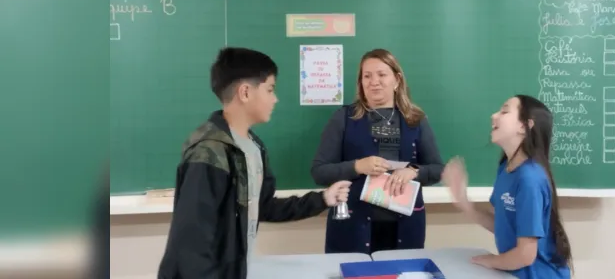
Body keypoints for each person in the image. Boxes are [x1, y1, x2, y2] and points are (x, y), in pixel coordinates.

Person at [158, 47, 351, 279]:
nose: (275, 98)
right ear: (245, 92)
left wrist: (322, 199)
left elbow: (263, 206)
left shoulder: (253, 147)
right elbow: (191, 243)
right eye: (270, 89)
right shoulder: (209, 152)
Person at [311, 48, 444, 254]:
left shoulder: (416, 120)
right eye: (367, 76)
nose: (374, 81)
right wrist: (357, 166)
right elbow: (319, 172)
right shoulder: (343, 118)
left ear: (397, 80)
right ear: (361, 82)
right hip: (353, 226)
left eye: (382, 75)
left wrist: (414, 171)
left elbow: (437, 169)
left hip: (404, 227)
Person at [442, 95, 573, 278]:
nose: (494, 116)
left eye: (504, 111)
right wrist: (463, 202)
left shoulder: (530, 179)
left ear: (524, 126)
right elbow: (502, 225)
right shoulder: (507, 168)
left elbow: (526, 255)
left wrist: (490, 261)